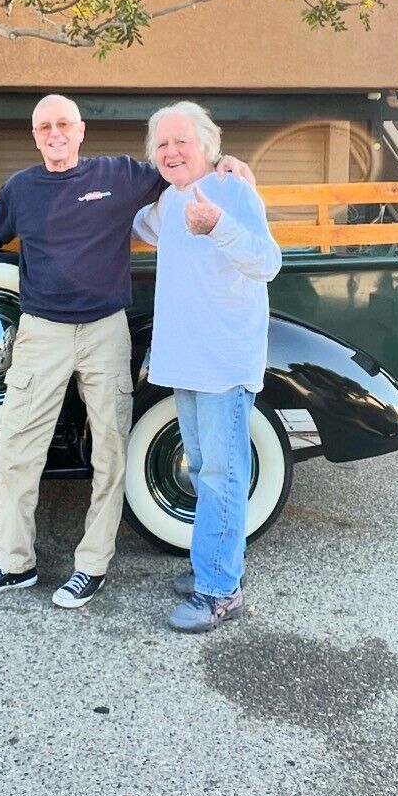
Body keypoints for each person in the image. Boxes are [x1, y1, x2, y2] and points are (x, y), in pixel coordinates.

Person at [0, 94, 254, 609]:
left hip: (105, 331)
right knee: (19, 450)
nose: (55, 133)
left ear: (81, 130)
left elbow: (181, 161)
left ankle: (92, 567)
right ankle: (14, 563)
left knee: (110, 453)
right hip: (41, 332)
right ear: (35, 134)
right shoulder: (21, 188)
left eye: (64, 124)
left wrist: (223, 161)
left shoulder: (120, 174)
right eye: (44, 126)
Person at [132, 101, 281, 633]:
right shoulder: (166, 204)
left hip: (224, 364)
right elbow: (136, 223)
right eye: (162, 144)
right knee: (202, 472)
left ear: (208, 145)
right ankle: (211, 567)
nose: (171, 151)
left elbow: (268, 262)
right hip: (186, 363)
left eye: (181, 141)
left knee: (222, 475)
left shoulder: (234, 191)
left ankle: (220, 591)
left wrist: (218, 223)